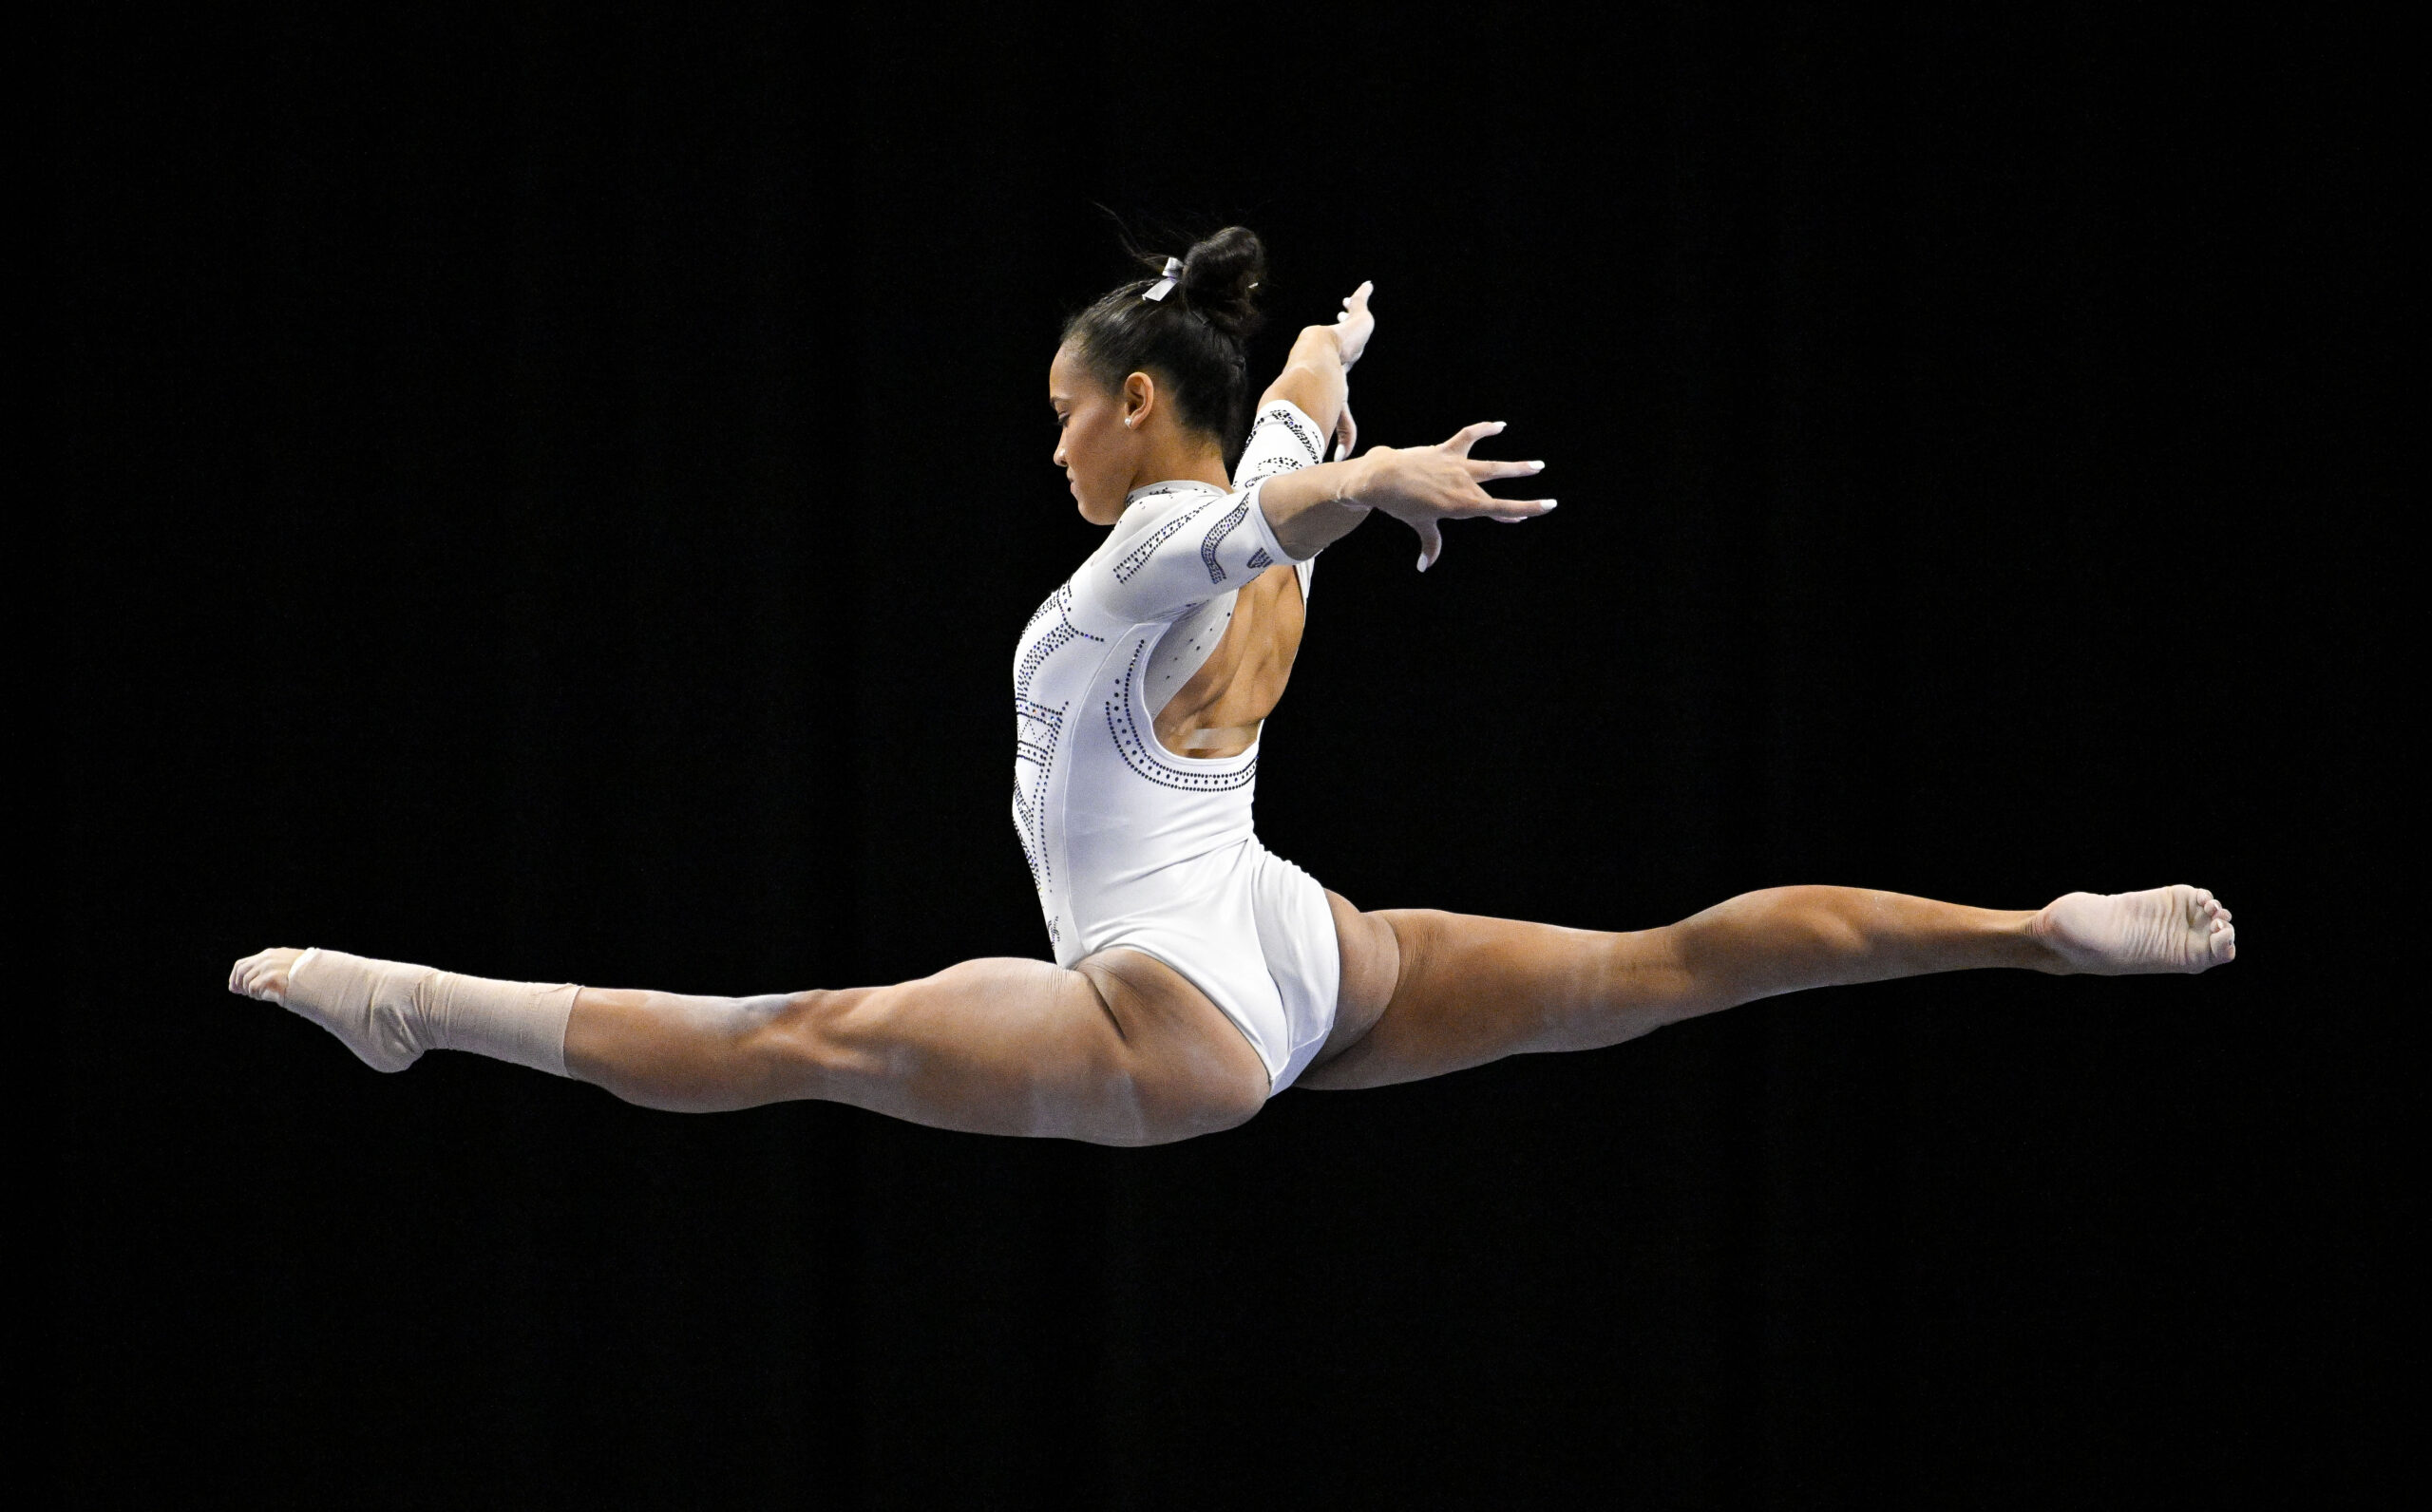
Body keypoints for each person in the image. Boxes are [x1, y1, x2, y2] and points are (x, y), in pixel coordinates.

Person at [230, 226, 2235, 1146]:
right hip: (1302, 948)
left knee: (798, 1035)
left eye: (1058, 418)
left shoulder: (1160, 539)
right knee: (1661, 964)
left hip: (1169, 1004)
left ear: (1123, 408)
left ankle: (412, 1008)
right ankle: (2028, 932)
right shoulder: (1258, 452)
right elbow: (1281, 424)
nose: (1050, 457)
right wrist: (1332, 361)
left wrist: (1371, 471)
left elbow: (1245, 520)